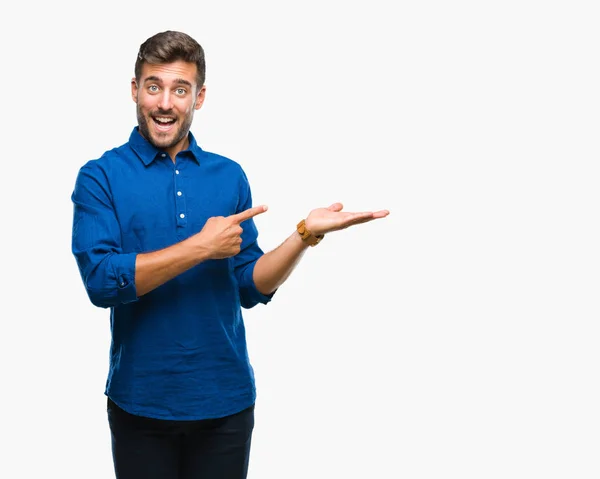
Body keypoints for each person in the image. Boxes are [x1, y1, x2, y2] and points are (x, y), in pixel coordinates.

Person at [71, 30, 389, 479]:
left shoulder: (229, 175)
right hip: (141, 403)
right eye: (153, 86)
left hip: (226, 402)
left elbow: (248, 284)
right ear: (134, 90)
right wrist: (201, 247)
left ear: (198, 98)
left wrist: (304, 235)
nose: (165, 103)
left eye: (180, 89)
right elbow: (102, 281)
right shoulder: (100, 176)